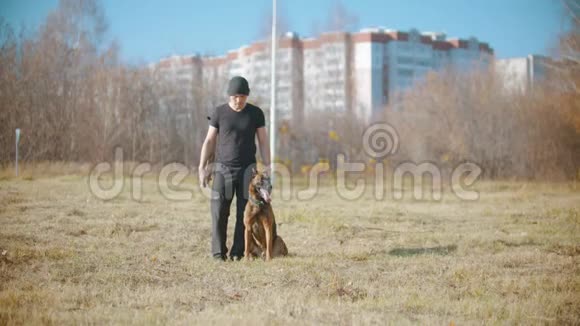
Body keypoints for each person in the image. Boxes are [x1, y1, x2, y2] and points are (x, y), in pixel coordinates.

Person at [198, 76, 271, 261]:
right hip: (223, 169)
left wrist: (268, 167)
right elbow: (209, 140)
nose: (239, 100)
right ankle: (218, 253)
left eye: (242, 96)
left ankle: (238, 252)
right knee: (219, 210)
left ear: (247, 96)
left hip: (249, 171)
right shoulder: (219, 112)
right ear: (229, 95)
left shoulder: (256, 113)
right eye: (235, 96)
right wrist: (202, 166)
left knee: (243, 213)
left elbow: (263, 141)